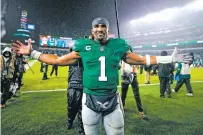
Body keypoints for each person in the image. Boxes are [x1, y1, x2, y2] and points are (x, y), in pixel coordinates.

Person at [12, 17, 192, 135]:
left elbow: (142, 59)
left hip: (112, 98)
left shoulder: (118, 45)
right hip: (89, 98)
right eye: (96, 26)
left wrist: (168, 58)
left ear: (107, 29)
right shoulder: (83, 47)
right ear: (92, 30)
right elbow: (58, 60)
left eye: (103, 26)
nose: (100, 29)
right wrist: (33, 53)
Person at [67, 48, 85, 135]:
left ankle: (81, 128)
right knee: (71, 108)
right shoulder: (71, 59)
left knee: (82, 109)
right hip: (73, 86)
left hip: (84, 86)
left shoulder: (85, 59)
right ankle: (70, 121)